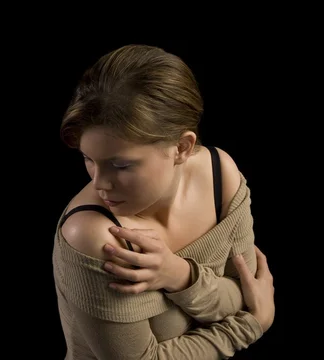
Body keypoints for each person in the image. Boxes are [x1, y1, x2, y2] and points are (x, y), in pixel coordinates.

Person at [52, 44, 275, 359]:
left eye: (121, 165)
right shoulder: (93, 235)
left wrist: (180, 275)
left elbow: (243, 293)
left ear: (182, 148)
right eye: (88, 159)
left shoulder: (220, 175)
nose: (99, 182)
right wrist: (251, 325)